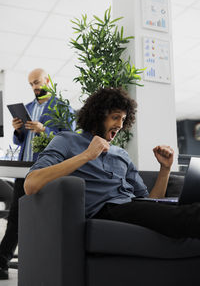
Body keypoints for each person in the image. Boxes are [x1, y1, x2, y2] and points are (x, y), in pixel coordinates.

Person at [24, 88, 200, 243]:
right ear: (97, 116)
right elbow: (31, 184)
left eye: (123, 119)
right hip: (108, 210)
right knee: (191, 215)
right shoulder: (67, 140)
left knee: (188, 208)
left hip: (132, 208)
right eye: (115, 117)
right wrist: (87, 155)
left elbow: (151, 202)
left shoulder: (121, 154)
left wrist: (165, 169)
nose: (120, 125)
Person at [0, 68, 75, 280]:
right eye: (31, 84)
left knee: (44, 217)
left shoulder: (62, 107)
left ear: (48, 80)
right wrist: (18, 130)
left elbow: (70, 137)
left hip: (47, 171)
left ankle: (44, 262)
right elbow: (19, 141)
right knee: (15, 217)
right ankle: (1, 263)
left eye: (37, 82)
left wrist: (44, 130)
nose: (35, 87)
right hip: (24, 171)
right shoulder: (28, 108)